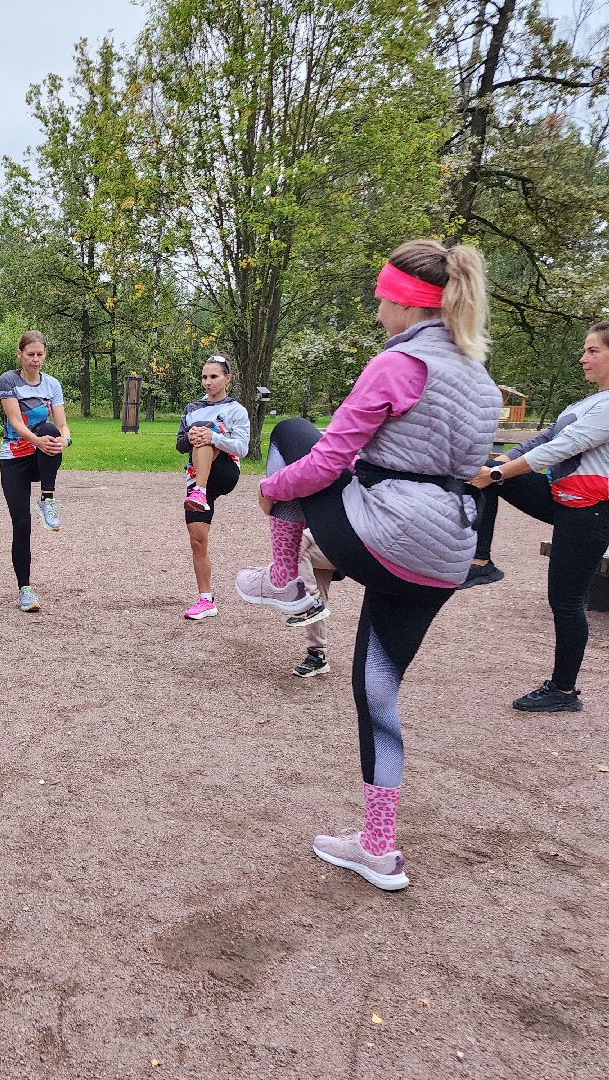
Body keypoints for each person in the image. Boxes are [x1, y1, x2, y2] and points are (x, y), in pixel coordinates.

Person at [234, 239, 501, 891]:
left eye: (381, 297)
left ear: (404, 301)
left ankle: (282, 579)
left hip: (389, 529)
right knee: (378, 692)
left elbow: (326, 460)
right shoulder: (482, 380)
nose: (377, 309)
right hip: (445, 551)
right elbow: (459, 468)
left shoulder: (397, 364)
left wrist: (271, 492)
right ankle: (377, 849)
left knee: (290, 435)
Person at [465, 322, 609, 713]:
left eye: (592, 351)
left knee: (566, 600)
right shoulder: (592, 400)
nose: (583, 358)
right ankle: (481, 562)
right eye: (585, 350)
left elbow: (566, 447)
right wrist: (499, 462)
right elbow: (547, 436)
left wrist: (500, 472)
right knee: (481, 472)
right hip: (563, 496)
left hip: (592, 509)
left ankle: (564, 690)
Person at [0, 331, 73, 612]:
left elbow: (62, 425)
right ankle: (25, 589)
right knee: (22, 525)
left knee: (52, 431)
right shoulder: (9, 381)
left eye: (40, 354)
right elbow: (16, 422)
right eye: (30, 354)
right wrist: (36, 440)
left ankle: (47, 499)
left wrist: (65, 440)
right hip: (14, 459)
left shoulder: (52, 384)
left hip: (41, 456)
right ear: (19, 354)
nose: (35, 359)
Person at [177, 355, 250, 620]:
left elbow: (242, 448)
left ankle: (201, 490)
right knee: (197, 540)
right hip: (196, 474)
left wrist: (212, 437)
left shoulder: (236, 410)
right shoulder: (192, 408)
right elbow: (180, 445)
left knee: (205, 437)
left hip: (224, 472)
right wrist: (191, 436)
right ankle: (206, 600)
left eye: (214, 377)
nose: (208, 382)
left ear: (227, 378)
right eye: (205, 377)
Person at [291, 531, 337, 677]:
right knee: (318, 595)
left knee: (297, 550)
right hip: (323, 541)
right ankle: (317, 655)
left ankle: (311, 602)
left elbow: (335, 514)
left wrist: (305, 537)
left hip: (352, 543)